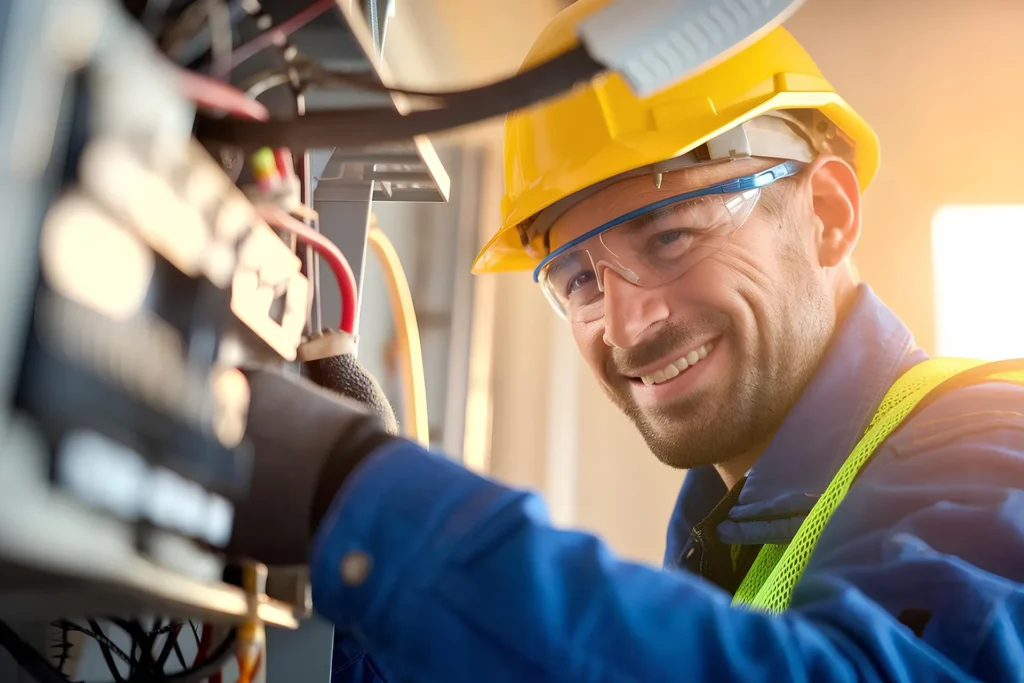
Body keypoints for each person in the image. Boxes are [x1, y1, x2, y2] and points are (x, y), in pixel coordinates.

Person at [232, 1, 1024, 680]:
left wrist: (356, 494)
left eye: (672, 238)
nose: (625, 325)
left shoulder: (996, 448)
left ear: (827, 213)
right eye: (578, 279)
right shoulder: (733, 541)